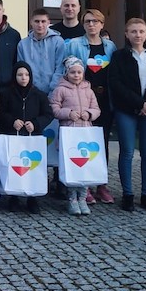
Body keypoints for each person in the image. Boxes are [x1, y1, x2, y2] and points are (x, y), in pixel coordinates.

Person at [108, 18, 146, 213]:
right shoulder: (119, 56)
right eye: (133, 31)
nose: (137, 35)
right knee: (126, 152)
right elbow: (116, 84)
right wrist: (139, 103)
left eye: (141, 31)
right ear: (126, 34)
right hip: (127, 109)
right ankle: (127, 195)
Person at [65, 9, 117, 204]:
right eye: (87, 21)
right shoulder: (74, 44)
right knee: (83, 142)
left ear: (102, 24)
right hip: (83, 97)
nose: (91, 24)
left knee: (101, 142)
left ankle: (101, 185)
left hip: (104, 100)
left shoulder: (110, 46)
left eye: (95, 21)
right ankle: (84, 185)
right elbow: (67, 69)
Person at [0, 62, 52, 214]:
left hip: (32, 138)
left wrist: (36, 124)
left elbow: (48, 114)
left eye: (26, 75)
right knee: (14, 167)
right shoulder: (6, 94)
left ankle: (32, 198)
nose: (23, 78)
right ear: (14, 76)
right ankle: (13, 197)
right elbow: (0, 113)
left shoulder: (39, 95)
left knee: (32, 169)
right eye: (20, 75)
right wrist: (11, 121)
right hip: (13, 137)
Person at [49, 56, 101, 216]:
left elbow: (97, 109)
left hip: (85, 133)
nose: (76, 75)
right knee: (72, 168)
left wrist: (89, 114)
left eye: (79, 72)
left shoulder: (89, 90)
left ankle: (83, 198)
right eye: (73, 72)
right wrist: (68, 113)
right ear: (67, 73)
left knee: (84, 168)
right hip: (69, 132)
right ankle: (72, 198)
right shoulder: (60, 89)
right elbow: (54, 108)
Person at [16, 7, 64, 96]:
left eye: (43, 21)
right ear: (31, 22)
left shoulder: (58, 42)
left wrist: (53, 87)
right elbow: (21, 68)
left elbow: (60, 67)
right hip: (30, 92)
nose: (40, 25)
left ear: (48, 22)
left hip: (53, 91)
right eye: (37, 21)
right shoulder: (23, 44)